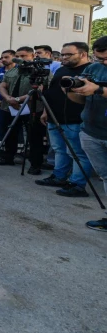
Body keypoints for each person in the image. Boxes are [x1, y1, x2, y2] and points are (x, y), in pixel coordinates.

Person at [35, 42, 93, 197]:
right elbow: (51, 93)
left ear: (83, 54)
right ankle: (59, 177)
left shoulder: (90, 71)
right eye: (62, 54)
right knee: (59, 149)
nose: (64, 57)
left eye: (69, 54)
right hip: (54, 117)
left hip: (75, 120)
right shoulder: (61, 70)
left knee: (78, 154)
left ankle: (77, 184)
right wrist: (46, 111)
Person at [65, 36, 107, 231]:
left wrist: (97, 89)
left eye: (106, 58)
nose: (103, 63)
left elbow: (96, 90)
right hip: (91, 132)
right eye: (99, 58)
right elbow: (81, 98)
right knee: (105, 176)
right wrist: (73, 90)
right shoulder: (94, 68)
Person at [0, 46, 48, 174]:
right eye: (18, 56)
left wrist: (18, 99)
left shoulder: (39, 71)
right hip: (10, 107)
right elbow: (2, 85)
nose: (20, 58)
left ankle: (35, 164)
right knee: (10, 133)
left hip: (33, 108)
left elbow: (39, 89)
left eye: (23, 56)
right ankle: (8, 157)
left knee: (34, 137)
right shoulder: (12, 71)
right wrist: (8, 98)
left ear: (32, 56)